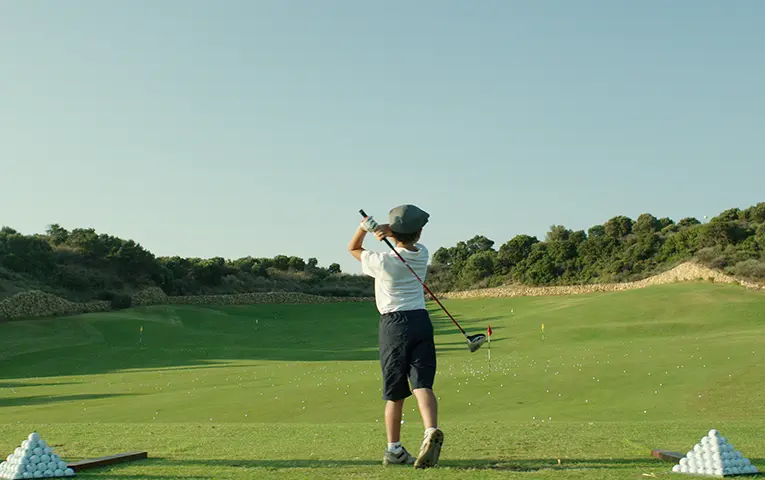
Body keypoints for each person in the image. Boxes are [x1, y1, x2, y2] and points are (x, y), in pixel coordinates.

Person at [347, 204, 443, 469]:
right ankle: (430, 430)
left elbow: (353, 249)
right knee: (422, 383)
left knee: (395, 392)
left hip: (394, 325)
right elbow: (406, 240)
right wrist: (389, 232)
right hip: (421, 321)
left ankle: (394, 450)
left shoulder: (383, 261)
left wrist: (365, 228)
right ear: (419, 232)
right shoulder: (422, 253)